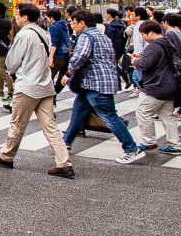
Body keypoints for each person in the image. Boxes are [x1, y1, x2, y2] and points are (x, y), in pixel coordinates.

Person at [0, 4, 74, 178]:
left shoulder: (24, 35)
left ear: (25, 17)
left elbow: (11, 63)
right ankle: (64, 162)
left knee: (17, 123)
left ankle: (6, 156)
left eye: (18, 15)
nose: (16, 18)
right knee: (51, 127)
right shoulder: (43, 32)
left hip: (28, 85)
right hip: (45, 85)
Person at [60, 10, 145, 164]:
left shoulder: (86, 36)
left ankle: (131, 148)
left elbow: (80, 57)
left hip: (96, 83)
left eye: (73, 23)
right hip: (97, 82)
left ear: (82, 23)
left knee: (109, 116)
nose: (72, 26)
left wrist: (68, 73)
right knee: (78, 111)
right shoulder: (102, 36)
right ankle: (65, 142)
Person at [131, 20, 181, 155]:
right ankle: (174, 145)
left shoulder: (154, 46)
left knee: (143, 111)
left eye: (143, 34)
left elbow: (146, 64)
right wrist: (143, 56)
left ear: (151, 32)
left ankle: (149, 142)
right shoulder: (168, 42)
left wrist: (136, 61)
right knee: (167, 116)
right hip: (170, 84)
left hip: (156, 85)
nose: (143, 37)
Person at [48, 9, 73, 96]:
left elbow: (54, 43)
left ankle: (51, 95)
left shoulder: (53, 27)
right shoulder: (64, 25)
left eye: (48, 17)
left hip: (58, 55)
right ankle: (55, 93)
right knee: (62, 77)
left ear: (52, 18)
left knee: (49, 77)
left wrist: (51, 57)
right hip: (66, 55)